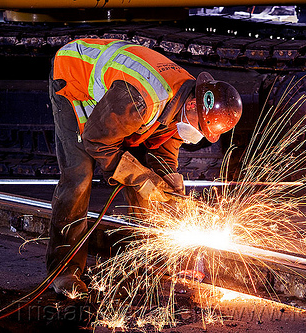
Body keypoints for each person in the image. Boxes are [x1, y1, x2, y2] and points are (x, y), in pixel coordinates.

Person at [46, 38, 242, 296]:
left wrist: (172, 193)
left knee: (145, 182)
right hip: (74, 82)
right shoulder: (145, 99)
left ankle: (144, 259)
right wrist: (142, 179)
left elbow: (164, 152)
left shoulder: (184, 98)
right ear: (194, 105)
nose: (197, 135)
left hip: (119, 100)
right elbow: (97, 142)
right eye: (200, 128)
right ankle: (64, 272)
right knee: (79, 176)